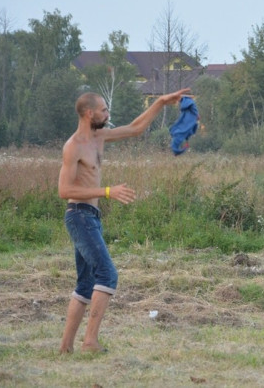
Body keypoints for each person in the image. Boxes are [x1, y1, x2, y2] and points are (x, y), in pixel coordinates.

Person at [58, 88, 190, 354]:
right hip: (79, 215)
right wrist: (108, 191)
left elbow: (135, 129)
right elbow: (64, 190)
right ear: (89, 113)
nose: (108, 114)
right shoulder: (73, 146)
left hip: (90, 216)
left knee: (85, 284)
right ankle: (90, 342)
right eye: (104, 110)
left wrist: (161, 102)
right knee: (107, 274)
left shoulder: (99, 137)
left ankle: (65, 348)